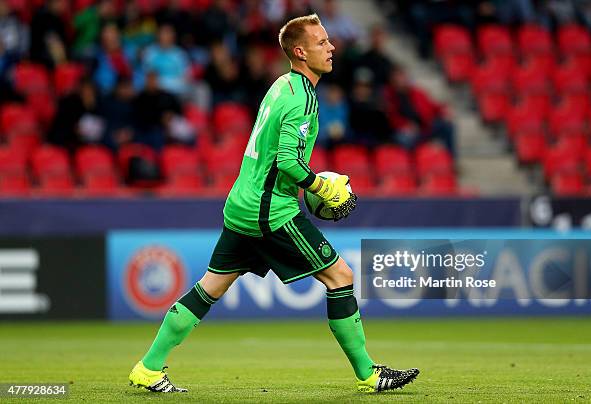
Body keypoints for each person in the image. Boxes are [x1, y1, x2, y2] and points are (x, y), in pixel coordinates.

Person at [128, 14, 419, 394]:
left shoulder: (282, 85)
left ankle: (148, 367)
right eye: (321, 42)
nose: (331, 47)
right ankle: (369, 374)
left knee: (210, 287)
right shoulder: (303, 98)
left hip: (241, 203)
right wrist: (321, 186)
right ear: (300, 52)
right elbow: (286, 160)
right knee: (341, 277)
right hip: (270, 210)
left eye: (329, 40)